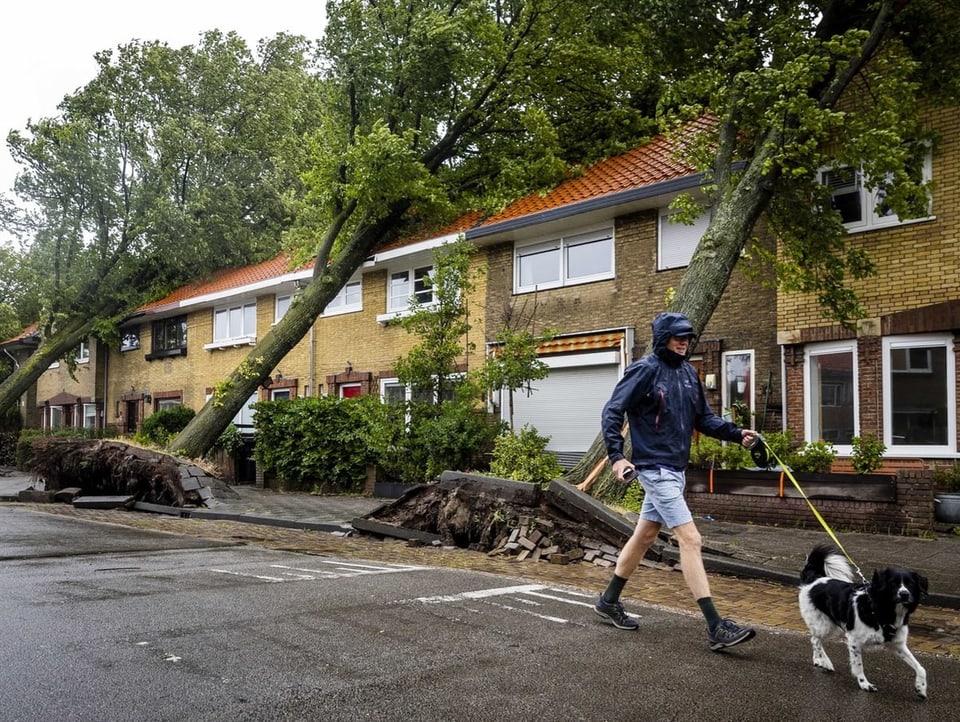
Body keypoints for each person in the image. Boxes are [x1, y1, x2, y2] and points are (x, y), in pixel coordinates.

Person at [593, 311, 759, 651]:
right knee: (691, 539)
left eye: (687, 336)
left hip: (675, 469)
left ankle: (608, 601)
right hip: (653, 467)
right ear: (663, 338)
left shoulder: (688, 374)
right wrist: (617, 456)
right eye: (677, 336)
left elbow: (705, 419)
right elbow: (612, 411)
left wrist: (736, 433)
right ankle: (716, 626)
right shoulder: (644, 370)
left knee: (645, 535)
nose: (684, 341)